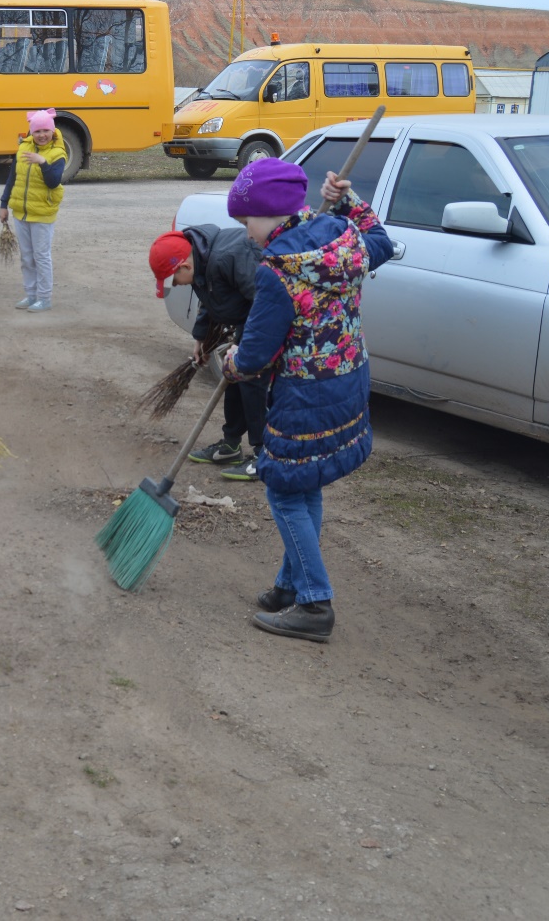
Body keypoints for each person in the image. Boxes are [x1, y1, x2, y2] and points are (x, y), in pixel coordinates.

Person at [221, 159, 394, 643]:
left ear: (270, 216)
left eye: (247, 222)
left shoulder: (278, 272)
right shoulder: (342, 236)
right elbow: (378, 239)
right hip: (349, 381)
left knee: (282, 490)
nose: (246, 233)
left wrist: (230, 361)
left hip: (304, 395)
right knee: (305, 484)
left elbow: (254, 356)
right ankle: (289, 584)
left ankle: (315, 603)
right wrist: (349, 202)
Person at [149, 226, 267, 481]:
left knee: (251, 380)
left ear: (185, 267)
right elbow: (210, 299)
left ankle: (264, 454)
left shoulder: (229, 256)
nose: (177, 285)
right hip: (248, 317)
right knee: (233, 375)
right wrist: (201, 338)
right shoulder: (201, 261)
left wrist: (248, 342)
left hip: (263, 318)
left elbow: (265, 300)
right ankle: (231, 444)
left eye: (174, 280)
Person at [0, 108, 66, 312]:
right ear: (31, 133)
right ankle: (31, 295)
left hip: (43, 214)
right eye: (37, 131)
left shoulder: (58, 153)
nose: (42, 135)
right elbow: (12, 179)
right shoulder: (22, 150)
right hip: (21, 211)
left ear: (52, 131)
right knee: (27, 256)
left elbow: (54, 182)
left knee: (41, 256)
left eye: (46, 130)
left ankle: (44, 297)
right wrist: (3, 204)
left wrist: (43, 162)